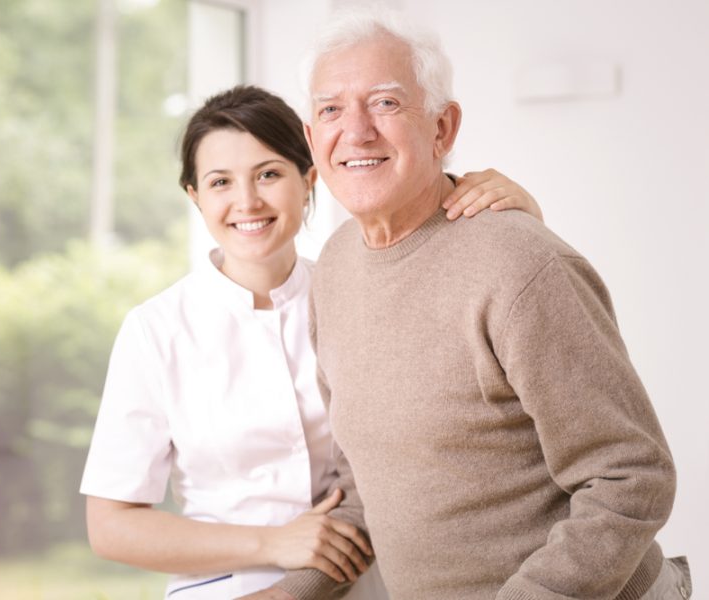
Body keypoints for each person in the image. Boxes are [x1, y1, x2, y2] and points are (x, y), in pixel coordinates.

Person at [253, 9, 690, 600]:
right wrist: (291, 592)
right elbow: (368, 483)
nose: (355, 131)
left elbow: (630, 478)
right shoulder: (333, 268)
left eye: (385, 103)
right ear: (312, 140)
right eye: (331, 109)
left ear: (442, 128)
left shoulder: (520, 265)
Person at [79, 85, 545, 599]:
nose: (247, 202)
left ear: (308, 180)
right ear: (195, 197)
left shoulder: (356, 291)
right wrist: (274, 544)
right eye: (219, 183)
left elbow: (466, 320)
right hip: (226, 586)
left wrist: (522, 215)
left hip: (365, 577)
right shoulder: (156, 330)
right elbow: (110, 525)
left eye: (269, 174)